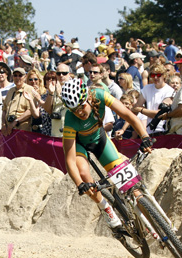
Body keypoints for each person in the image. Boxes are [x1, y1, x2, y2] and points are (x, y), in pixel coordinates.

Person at [60, 78, 152, 229]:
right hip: (80, 145)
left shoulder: (100, 95)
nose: (80, 112)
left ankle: (151, 220)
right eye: (74, 110)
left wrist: (145, 136)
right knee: (83, 173)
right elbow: (69, 160)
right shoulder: (70, 120)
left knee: (131, 186)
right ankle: (105, 208)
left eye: (81, 106)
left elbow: (128, 115)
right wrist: (80, 184)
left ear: (89, 97)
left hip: (99, 138)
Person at [132, 64, 175, 135]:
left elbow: (159, 114)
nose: (155, 77)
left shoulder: (170, 91)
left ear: (164, 75)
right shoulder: (147, 88)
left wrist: (141, 110)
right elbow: (136, 107)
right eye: (152, 75)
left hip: (163, 131)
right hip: (149, 131)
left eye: (158, 75)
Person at [1, 67, 34, 135]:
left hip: (23, 130)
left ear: (25, 77)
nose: (17, 78)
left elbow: (30, 111)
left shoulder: (30, 89)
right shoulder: (10, 91)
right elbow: (4, 109)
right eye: (15, 75)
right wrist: (3, 124)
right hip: (8, 129)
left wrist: (16, 121)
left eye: (20, 75)